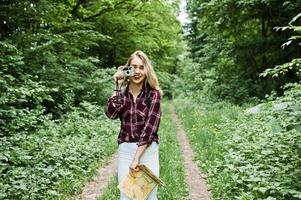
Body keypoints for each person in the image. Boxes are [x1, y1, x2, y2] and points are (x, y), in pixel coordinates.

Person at [105, 50, 162, 200]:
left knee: (149, 196)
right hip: (126, 150)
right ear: (127, 70)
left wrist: (136, 159)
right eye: (133, 67)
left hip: (148, 150)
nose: (137, 72)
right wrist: (117, 85)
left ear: (146, 70)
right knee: (127, 197)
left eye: (141, 67)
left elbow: (150, 128)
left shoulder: (153, 94)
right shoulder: (122, 94)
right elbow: (111, 114)